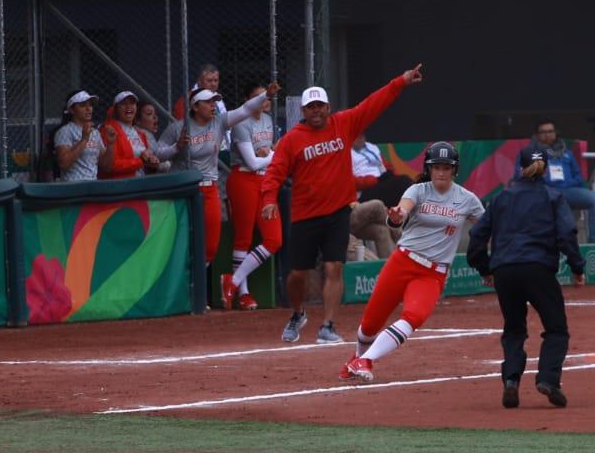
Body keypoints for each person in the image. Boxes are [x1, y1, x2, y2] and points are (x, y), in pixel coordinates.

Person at [260, 65, 424, 344]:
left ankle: (328, 325)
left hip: (337, 213)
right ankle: (298, 313)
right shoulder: (292, 141)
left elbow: (374, 104)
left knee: (335, 267)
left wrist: (401, 82)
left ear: (328, 107)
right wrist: (268, 199)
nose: (316, 111)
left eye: (320, 106)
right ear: (303, 111)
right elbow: (274, 172)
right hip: (305, 216)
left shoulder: (343, 124)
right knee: (297, 274)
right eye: (310, 107)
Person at [340, 142, 483, 382]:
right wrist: (397, 217)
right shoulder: (418, 191)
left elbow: (487, 225)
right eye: (436, 166)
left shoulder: (467, 199)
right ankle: (357, 357)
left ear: (454, 170)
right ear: (428, 168)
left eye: (446, 167)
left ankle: (365, 360)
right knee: (370, 324)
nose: (441, 171)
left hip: (433, 272)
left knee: (414, 316)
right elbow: (402, 211)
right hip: (403, 261)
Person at [467, 145, 585, 409]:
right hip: (538, 268)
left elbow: (476, 237)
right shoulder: (553, 197)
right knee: (556, 328)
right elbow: (566, 235)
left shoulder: (501, 198)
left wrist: (485, 268)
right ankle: (548, 379)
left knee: (514, 329)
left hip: (505, 270)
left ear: (519, 168)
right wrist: (577, 267)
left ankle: (511, 380)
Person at [159, 80, 280, 268]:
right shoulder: (178, 127)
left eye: (214, 101)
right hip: (184, 189)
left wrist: (266, 95)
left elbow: (245, 110)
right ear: (195, 106)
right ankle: (182, 290)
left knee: (211, 247)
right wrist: (177, 147)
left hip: (209, 187)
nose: (212, 105)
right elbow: (157, 154)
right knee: (181, 241)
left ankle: (197, 291)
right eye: (208, 102)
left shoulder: (219, 121)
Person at [222, 82, 281, 311]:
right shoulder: (240, 123)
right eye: (258, 97)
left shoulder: (267, 120)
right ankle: (243, 294)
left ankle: (232, 282)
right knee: (243, 238)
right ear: (248, 100)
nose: (264, 101)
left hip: (265, 180)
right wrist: (274, 155)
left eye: (265, 97)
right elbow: (252, 161)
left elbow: (270, 151)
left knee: (274, 239)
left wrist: (271, 154)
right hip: (244, 178)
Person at [516, 119, 595, 244]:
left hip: (568, 191)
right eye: (543, 132)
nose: (547, 134)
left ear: (556, 133)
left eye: (550, 131)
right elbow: (520, 177)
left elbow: (578, 177)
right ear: (537, 135)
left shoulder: (566, 153)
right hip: (544, 193)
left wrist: (568, 184)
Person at [99, 91, 159, 180]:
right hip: (120, 186)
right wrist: (141, 161)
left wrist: (151, 163)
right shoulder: (109, 129)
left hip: (140, 184)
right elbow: (111, 165)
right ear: (116, 109)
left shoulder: (140, 134)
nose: (129, 106)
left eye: (132, 103)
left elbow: (144, 167)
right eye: (124, 103)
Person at [54, 90, 102, 183]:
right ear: (72, 110)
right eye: (83, 105)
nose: (89, 109)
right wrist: (84, 140)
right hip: (73, 184)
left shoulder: (95, 132)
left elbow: (106, 166)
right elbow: (64, 163)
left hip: (93, 183)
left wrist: (111, 144)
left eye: (90, 105)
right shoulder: (65, 131)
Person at [351, 133, 410, 207]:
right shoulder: (345, 153)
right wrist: (374, 180)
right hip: (365, 191)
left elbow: (385, 165)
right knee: (402, 182)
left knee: (406, 185)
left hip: (381, 182)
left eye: (362, 135)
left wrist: (390, 173)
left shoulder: (371, 147)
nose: (361, 138)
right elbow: (349, 182)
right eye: (357, 137)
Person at [134, 100, 168, 171]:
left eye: (155, 113)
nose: (155, 117)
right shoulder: (139, 134)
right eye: (149, 113)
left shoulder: (148, 134)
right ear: (137, 120)